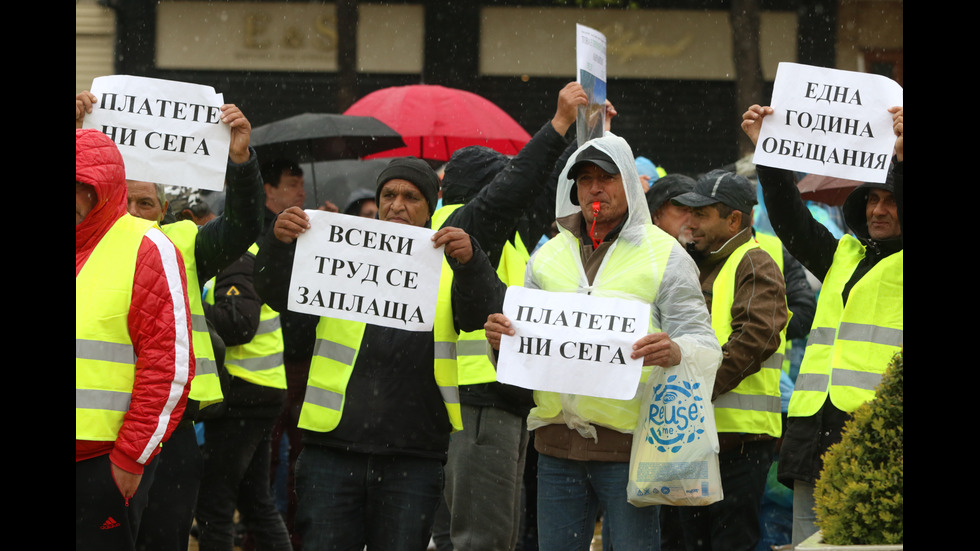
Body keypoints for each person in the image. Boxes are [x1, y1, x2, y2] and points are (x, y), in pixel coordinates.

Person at [254, 156, 506, 551]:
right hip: (331, 449)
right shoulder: (338, 254)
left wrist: (473, 263)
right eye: (388, 194)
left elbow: (480, 314)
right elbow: (276, 294)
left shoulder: (448, 261)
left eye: (411, 196)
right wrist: (276, 243)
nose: (397, 205)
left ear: (431, 208)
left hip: (413, 454)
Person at [485, 134, 721, 551]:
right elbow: (529, 352)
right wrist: (502, 344)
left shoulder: (664, 255)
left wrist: (676, 351)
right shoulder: (546, 258)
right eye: (585, 179)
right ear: (573, 189)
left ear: (629, 183)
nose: (595, 188)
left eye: (606, 178)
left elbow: (703, 341)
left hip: (632, 446)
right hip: (556, 446)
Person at [76, 90, 265, 551]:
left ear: (165, 210)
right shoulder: (95, 242)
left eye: (146, 204)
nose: (135, 213)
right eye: (129, 202)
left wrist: (240, 163)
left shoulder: (181, 241)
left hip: (169, 423)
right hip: (105, 434)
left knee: (162, 535)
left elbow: (242, 225)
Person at [429, 81, 586, 551]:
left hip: (502, 396)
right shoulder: (464, 224)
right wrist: (559, 124)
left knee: (495, 531)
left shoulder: (504, 235)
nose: (518, 196)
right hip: (477, 400)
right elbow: (520, 184)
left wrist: (588, 137)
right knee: (482, 537)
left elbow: (539, 186)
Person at [740, 105, 904, 547]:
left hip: (880, 440)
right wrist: (769, 155)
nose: (879, 210)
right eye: (872, 198)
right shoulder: (843, 255)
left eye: (891, 200)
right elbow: (790, 220)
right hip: (816, 433)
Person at [76, 128, 194, 551]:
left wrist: (130, 458)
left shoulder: (147, 247)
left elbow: (168, 366)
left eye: (80, 186)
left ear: (104, 190)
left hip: (101, 465)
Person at [670, 170, 788, 551]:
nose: (690, 223)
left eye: (702, 214)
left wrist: (698, 388)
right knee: (695, 542)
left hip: (738, 442)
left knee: (728, 542)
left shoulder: (755, 261)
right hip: (698, 435)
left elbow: (758, 335)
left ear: (733, 220)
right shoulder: (703, 261)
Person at [196, 245, 292, 551]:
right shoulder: (246, 254)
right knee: (255, 502)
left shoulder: (234, 258)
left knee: (215, 506)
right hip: (258, 390)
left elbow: (239, 324)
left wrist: (188, 307)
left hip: (243, 394)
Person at [646, 173, 696, 246]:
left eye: (698, 212)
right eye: (683, 210)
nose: (692, 219)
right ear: (657, 216)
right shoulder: (636, 252)